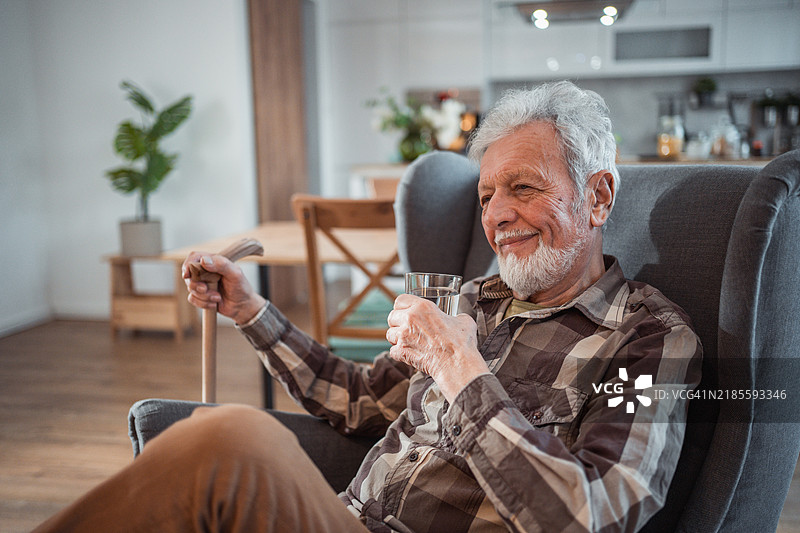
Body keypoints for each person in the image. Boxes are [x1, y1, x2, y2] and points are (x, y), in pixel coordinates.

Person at [34, 81, 701, 533]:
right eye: (487, 196)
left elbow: (594, 514)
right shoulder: (475, 301)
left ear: (598, 197)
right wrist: (249, 309)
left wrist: (457, 366)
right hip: (347, 517)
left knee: (232, 438)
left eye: (523, 188)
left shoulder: (645, 338)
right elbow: (357, 399)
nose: (498, 216)